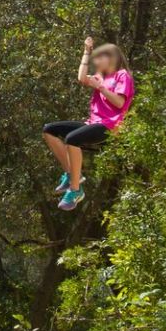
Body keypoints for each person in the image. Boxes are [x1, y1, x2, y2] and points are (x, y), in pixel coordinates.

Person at [41, 36, 134, 211]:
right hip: (94, 123)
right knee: (49, 130)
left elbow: (120, 103)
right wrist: (86, 51)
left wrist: (101, 88)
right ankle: (72, 175)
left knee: (72, 139)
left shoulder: (123, 76)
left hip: (110, 126)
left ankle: (76, 190)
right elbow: (82, 77)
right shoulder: (102, 76)